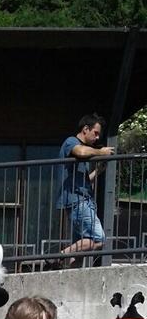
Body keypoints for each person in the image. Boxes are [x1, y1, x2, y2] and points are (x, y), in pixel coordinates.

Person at [57, 113, 114, 266]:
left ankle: (70, 272)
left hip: (80, 200)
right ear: (85, 129)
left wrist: (98, 171)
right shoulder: (72, 141)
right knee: (98, 239)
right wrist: (101, 152)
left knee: (81, 249)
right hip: (78, 201)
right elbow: (81, 152)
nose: (97, 138)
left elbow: (84, 180)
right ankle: (58, 256)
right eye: (95, 133)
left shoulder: (81, 150)